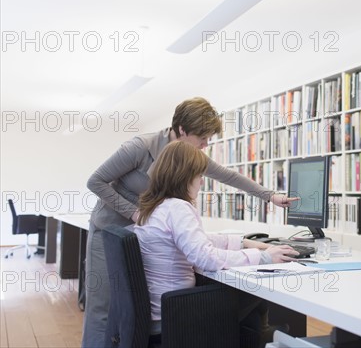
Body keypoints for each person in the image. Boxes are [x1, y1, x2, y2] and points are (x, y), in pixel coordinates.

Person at [82, 97, 298, 347]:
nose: (206, 145)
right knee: (104, 306)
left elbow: (229, 176)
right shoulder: (141, 147)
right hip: (112, 226)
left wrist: (270, 196)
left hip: (145, 230)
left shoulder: (188, 159)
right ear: (182, 130)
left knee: (133, 303)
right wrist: (133, 213)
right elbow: (95, 181)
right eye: (202, 138)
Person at [134, 140, 297, 340]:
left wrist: (244, 243)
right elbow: (206, 258)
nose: (201, 181)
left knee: (247, 305)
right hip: (177, 314)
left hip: (163, 311)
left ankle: (261, 336)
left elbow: (198, 240)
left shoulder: (155, 207)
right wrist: (263, 257)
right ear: (183, 176)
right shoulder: (177, 208)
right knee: (253, 290)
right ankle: (266, 337)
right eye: (199, 175)